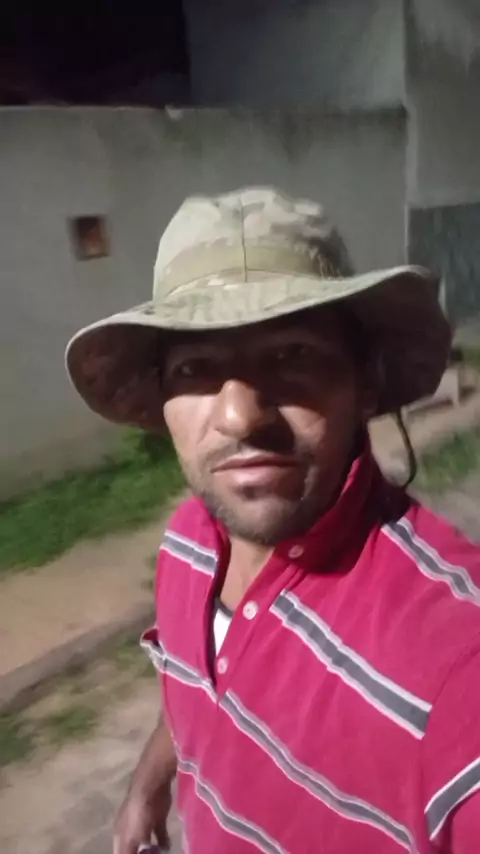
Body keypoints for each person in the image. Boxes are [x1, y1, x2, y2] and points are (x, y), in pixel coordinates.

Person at [66, 187, 480, 854]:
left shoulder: (455, 661)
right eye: (196, 367)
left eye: (293, 355)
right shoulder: (187, 543)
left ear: (365, 383)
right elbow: (193, 682)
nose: (240, 416)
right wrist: (147, 788)